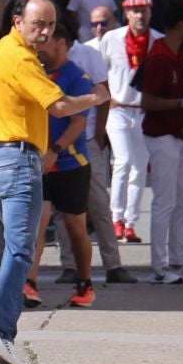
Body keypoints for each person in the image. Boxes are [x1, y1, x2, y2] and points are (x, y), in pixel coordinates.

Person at [0, 0, 107, 364]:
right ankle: (0, 331)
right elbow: (60, 107)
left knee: (12, 251)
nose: (44, 31)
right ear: (18, 22)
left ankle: (1, 328)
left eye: (49, 24)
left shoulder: (0, 49)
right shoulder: (22, 59)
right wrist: (95, 96)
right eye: (37, 23)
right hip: (17, 161)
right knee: (20, 251)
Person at [55, 15, 135, 284]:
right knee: (64, 207)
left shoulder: (87, 55)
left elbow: (104, 95)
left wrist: (99, 134)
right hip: (56, 144)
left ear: (62, 41)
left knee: (99, 203)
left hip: (86, 140)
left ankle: (113, 265)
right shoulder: (41, 59)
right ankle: (69, 265)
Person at [24, 22, 98, 310]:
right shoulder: (35, 72)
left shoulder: (78, 77)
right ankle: (29, 284)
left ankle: (85, 284)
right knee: (37, 223)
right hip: (38, 164)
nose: (41, 45)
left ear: (62, 42)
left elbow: (78, 122)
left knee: (75, 227)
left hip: (71, 163)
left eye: (47, 40)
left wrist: (55, 151)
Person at [134, 1, 183, 284]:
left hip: (179, 134)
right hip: (160, 135)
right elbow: (146, 101)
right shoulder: (159, 58)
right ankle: (159, 267)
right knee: (164, 200)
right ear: (179, 25)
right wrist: (181, 103)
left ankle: (177, 260)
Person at [99, 0, 154, 243]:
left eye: (144, 10)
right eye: (135, 11)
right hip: (117, 108)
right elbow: (99, 71)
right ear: (126, 14)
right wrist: (105, 98)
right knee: (123, 160)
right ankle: (115, 218)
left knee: (140, 166)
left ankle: (131, 222)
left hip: (144, 110)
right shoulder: (111, 39)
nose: (140, 15)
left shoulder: (157, 41)